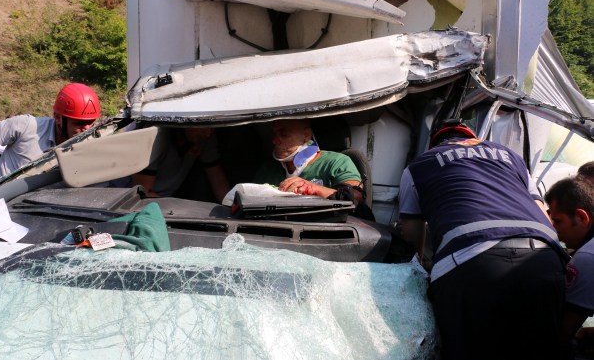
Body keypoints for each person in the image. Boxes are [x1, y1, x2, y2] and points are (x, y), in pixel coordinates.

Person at [398, 118, 566, 360]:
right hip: (543, 257)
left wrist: (421, 271)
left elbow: (411, 231)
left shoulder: (420, 165)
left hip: (472, 262)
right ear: (473, 136)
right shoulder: (511, 156)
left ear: (436, 142)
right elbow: (542, 213)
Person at [0, 83, 101, 186]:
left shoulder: (89, 147)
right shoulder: (28, 126)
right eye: (79, 123)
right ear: (59, 118)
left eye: (91, 122)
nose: (87, 128)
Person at [253, 119, 364, 202]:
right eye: (273, 134)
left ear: (306, 135)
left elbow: (356, 197)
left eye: (283, 134)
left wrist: (314, 189)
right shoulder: (267, 169)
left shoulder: (337, 162)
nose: (275, 141)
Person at [545, 177, 594, 358]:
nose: (555, 230)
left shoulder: (587, 258)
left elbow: (562, 333)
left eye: (558, 222)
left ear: (582, 217)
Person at [131, 127, 230, 203]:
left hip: (167, 201)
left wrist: (231, 204)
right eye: (205, 127)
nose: (208, 134)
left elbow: (218, 180)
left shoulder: (205, 138)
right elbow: (143, 194)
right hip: (136, 201)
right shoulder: (156, 137)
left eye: (212, 128)